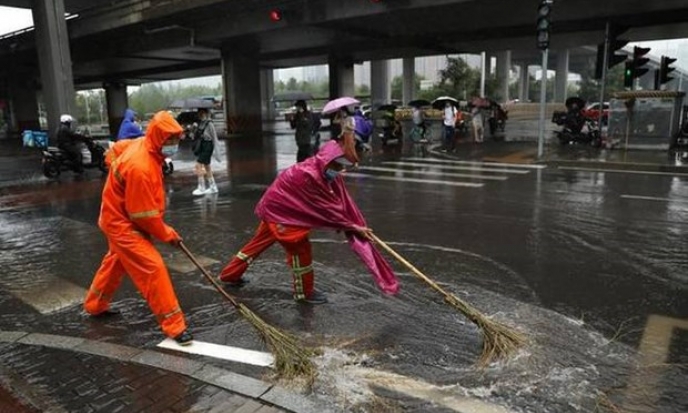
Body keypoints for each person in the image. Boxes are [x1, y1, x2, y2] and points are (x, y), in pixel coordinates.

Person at [218, 139, 399, 304]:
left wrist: (352, 224)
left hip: (274, 210)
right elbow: (326, 210)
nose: (340, 171)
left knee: (255, 245)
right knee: (301, 253)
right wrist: (352, 226)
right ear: (328, 161)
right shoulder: (311, 175)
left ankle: (229, 275)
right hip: (284, 217)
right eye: (337, 166)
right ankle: (304, 293)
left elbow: (335, 203)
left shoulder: (318, 167)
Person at [83, 110, 193, 346]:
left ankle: (95, 305)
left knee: (115, 262)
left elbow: (114, 151)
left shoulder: (142, 144)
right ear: (159, 138)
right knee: (152, 267)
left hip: (116, 215)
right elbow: (143, 216)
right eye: (170, 140)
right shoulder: (141, 168)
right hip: (123, 224)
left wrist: (114, 173)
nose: (174, 145)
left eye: (176, 139)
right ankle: (175, 326)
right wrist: (167, 234)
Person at [192, 108, 221, 196]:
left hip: (208, 145)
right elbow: (195, 136)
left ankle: (202, 187)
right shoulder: (200, 123)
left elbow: (214, 137)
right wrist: (194, 129)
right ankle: (213, 187)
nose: (200, 115)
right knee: (207, 167)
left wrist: (217, 151)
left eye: (202, 113)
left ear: (206, 113)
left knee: (198, 165)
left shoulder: (209, 123)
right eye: (199, 113)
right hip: (202, 145)